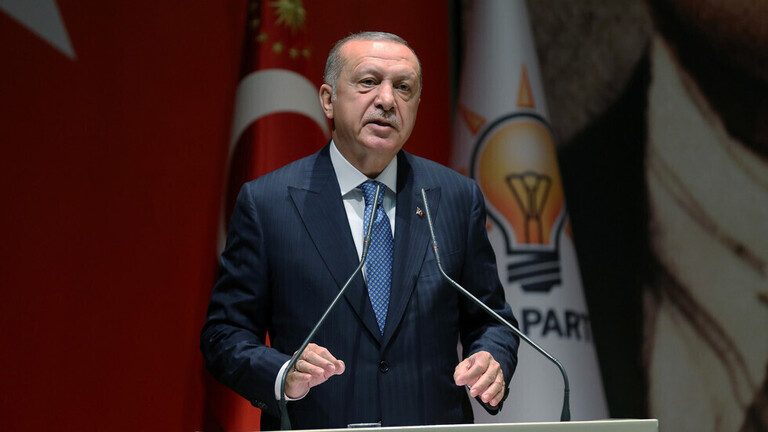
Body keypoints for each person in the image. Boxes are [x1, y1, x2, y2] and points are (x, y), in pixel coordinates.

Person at [200, 31, 519, 430]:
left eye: (403, 88)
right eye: (368, 82)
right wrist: (283, 373)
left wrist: (491, 358)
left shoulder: (455, 197)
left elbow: (492, 319)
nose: (387, 100)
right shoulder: (268, 203)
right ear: (328, 99)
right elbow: (225, 333)